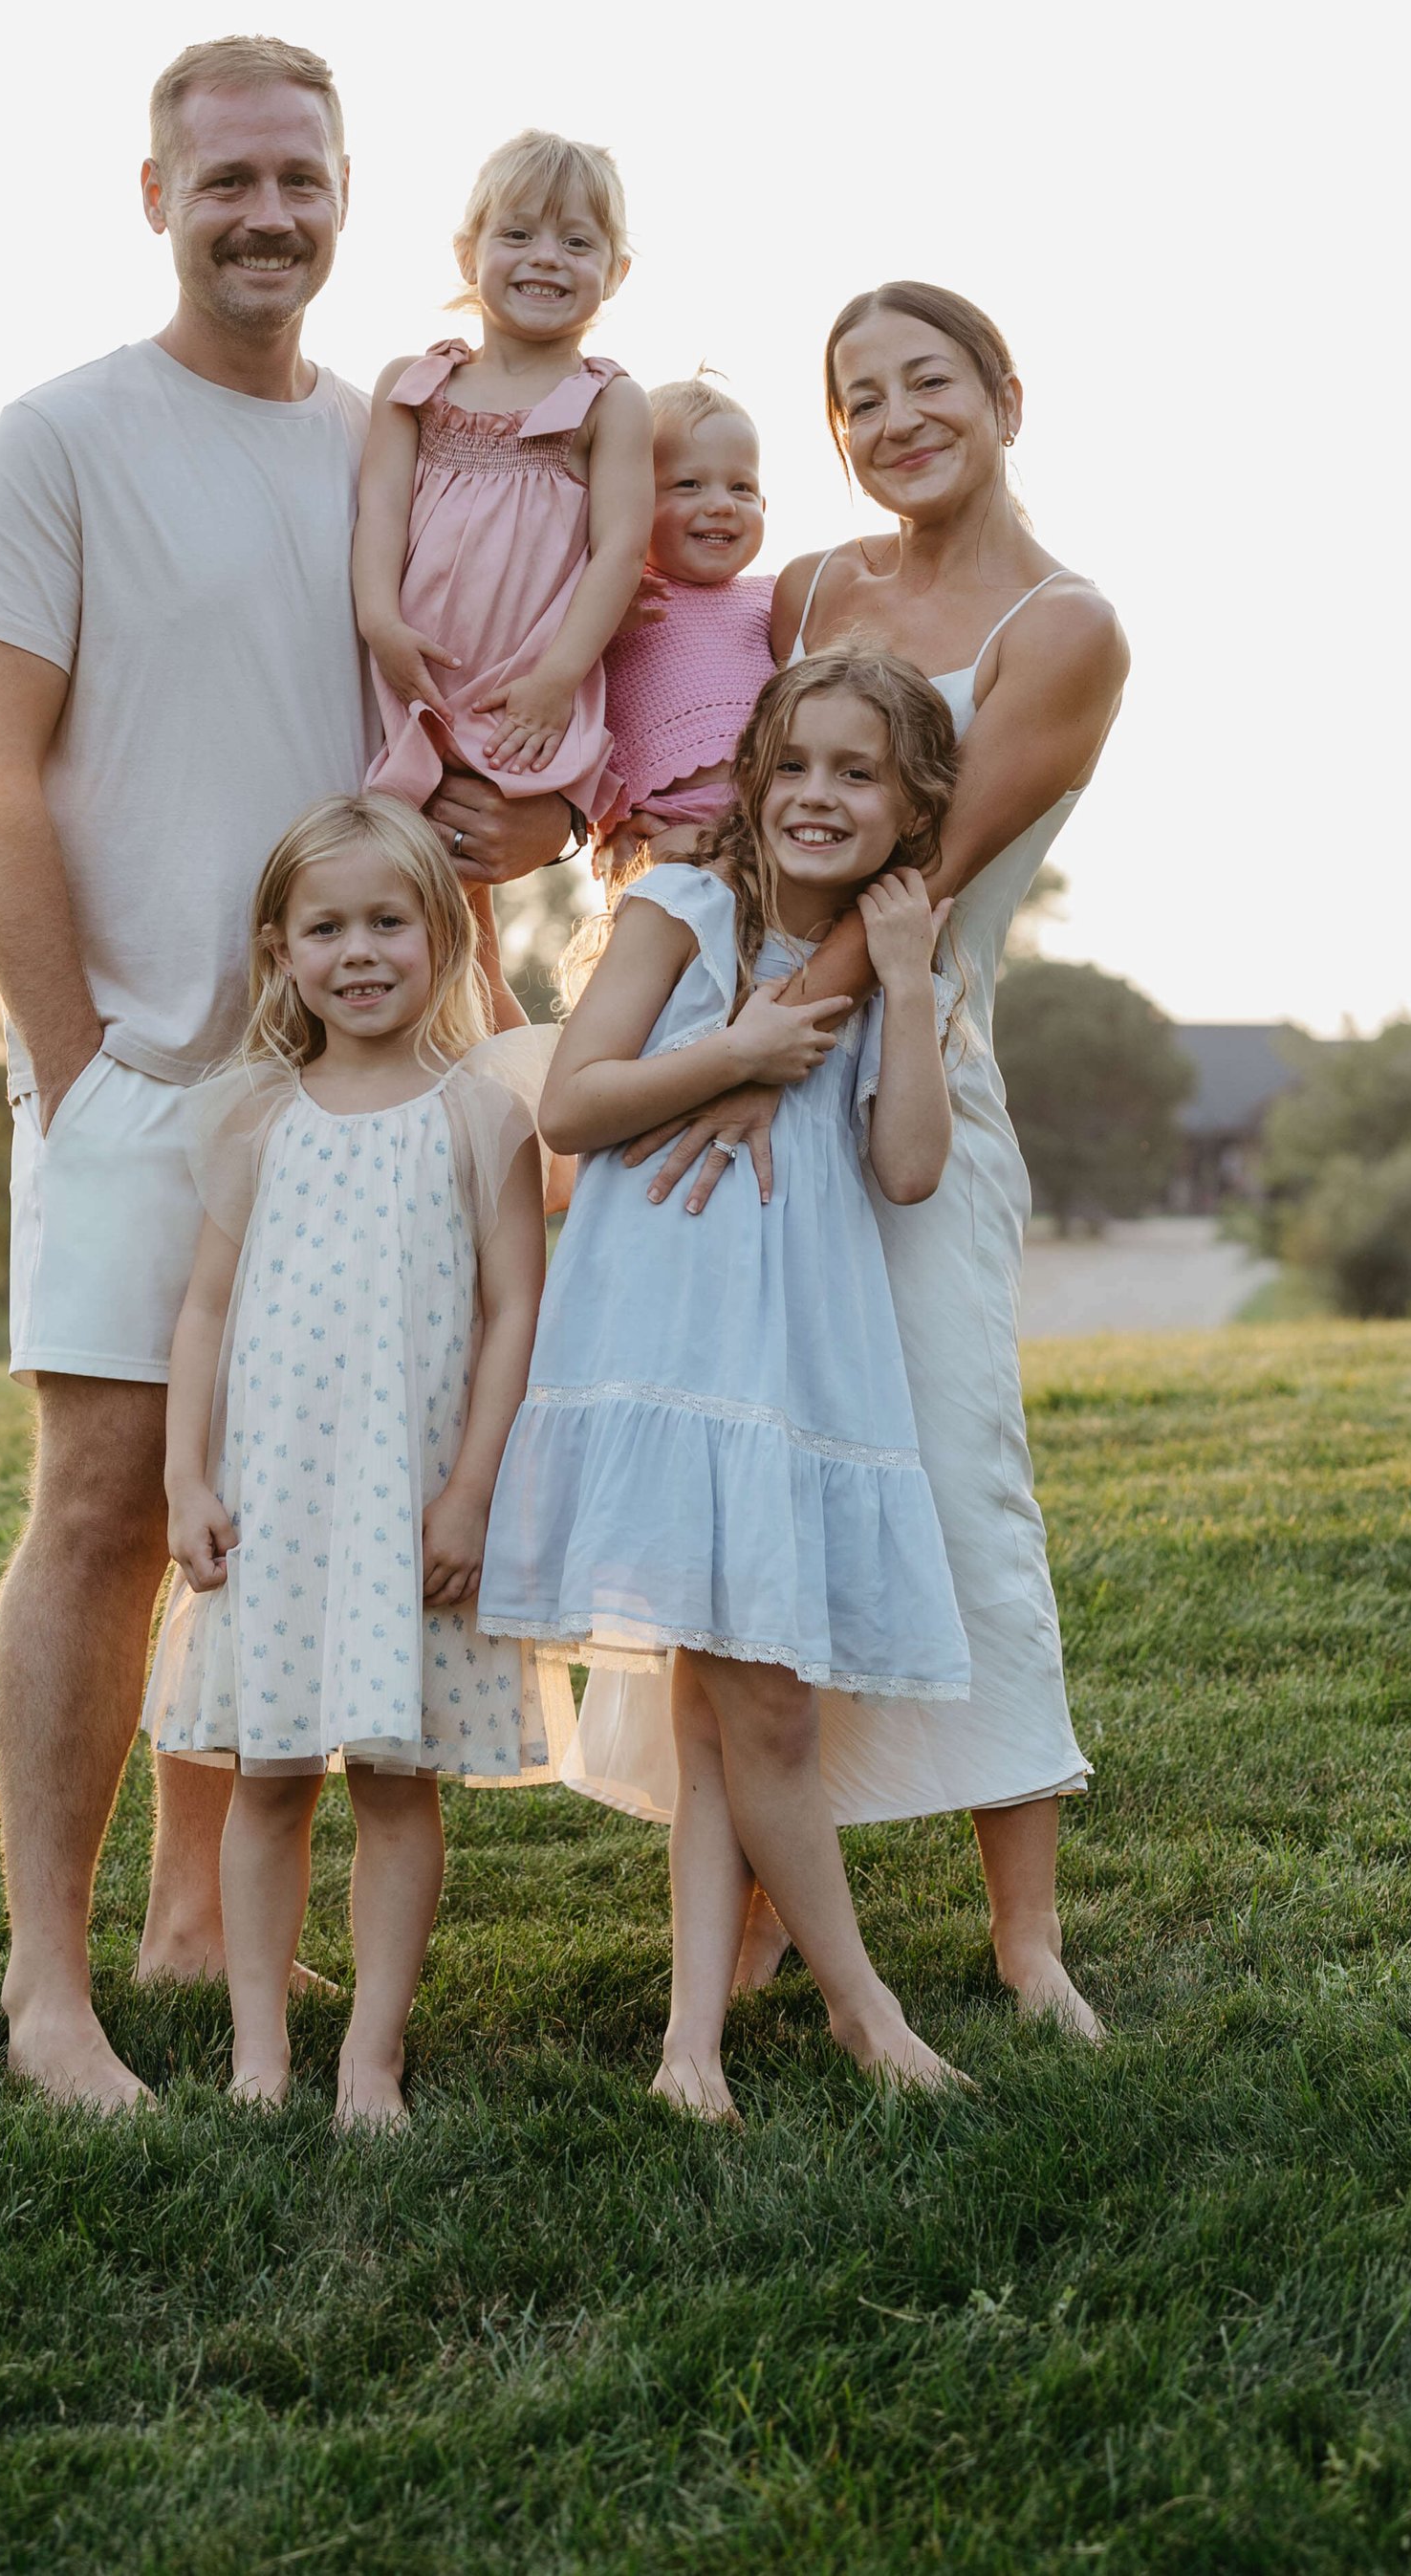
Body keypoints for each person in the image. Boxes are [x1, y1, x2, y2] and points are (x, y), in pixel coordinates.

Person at [0, 36, 578, 2111]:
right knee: (113, 1498)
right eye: (226, 183)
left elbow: (492, 734)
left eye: (298, 179)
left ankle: (199, 1915)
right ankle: (51, 1985)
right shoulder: (62, 440)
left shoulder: (398, 439)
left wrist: (529, 831)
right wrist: (75, 1062)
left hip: (383, 1091)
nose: (265, 215)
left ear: (348, 193)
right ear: (154, 198)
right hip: (136, 1074)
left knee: (305, 1484)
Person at [599, 282, 1129, 2041]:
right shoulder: (813, 588)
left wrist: (772, 1062)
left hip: (905, 1068)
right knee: (759, 1479)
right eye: (860, 399)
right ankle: (755, 1908)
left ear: (1004, 393)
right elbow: (719, 759)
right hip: (739, 1059)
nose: (895, 420)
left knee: (960, 1469)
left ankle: (1023, 1927)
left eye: (928, 384)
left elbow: (927, 870)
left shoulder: (1067, 628)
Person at [481, 654, 971, 2119]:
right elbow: (571, 1103)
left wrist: (904, 987)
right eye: (798, 764)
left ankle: (691, 2040)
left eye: (860, 773)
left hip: (790, 1353)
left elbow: (906, 1164)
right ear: (754, 779)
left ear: (913, 806)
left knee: (729, 1708)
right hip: (667, 1340)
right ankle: (860, 2007)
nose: (822, 795)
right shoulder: (681, 907)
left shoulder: (887, 952)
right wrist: (741, 1046)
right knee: (759, 1709)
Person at [142, 797, 569, 2128]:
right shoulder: (257, 1120)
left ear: (442, 937)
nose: (361, 950)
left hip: (410, 1506)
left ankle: (368, 2057)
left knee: (395, 1783)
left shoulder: (481, 1118)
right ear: (280, 947)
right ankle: (260, 2050)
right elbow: (203, 1310)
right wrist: (185, 1479)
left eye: (389, 920)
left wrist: (472, 1491)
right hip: (276, 1504)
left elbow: (516, 1311)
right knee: (266, 1777)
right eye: (327, 926)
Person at [353, 130, 655, 943]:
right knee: (393, 883)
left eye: (577, 241)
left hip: (523, 679)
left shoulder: (610, 404)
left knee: (465, 887)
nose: (545, 258)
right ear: (467, 253)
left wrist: (558, 677)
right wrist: (381, 622)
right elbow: (380, 513)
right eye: (517, 235)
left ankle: (484, 1045)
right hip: (413, 665)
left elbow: (621, 551)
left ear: (616, 272)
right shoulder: (414, 386)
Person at [592, 377, 778, 873]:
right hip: (665, 826)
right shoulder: (609, 601)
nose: (721, 503)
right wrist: (607, 824)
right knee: (672, 935)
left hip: (777, 820)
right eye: (688, 484)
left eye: (742, 487)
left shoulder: (778, 599)